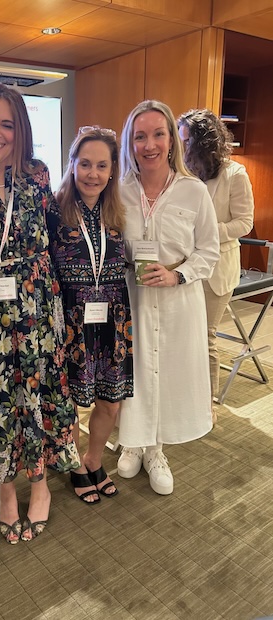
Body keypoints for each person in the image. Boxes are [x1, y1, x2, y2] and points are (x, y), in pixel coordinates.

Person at [0, 84, 80, 544]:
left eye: (7, 124)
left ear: (20, 130)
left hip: (38, 308)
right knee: (1, 401)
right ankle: (6, 492)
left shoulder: (38, 174)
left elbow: (55, 234)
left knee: (39, 396)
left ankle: (40, 484)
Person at [117, 100, 220, 495]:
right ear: (130, 142)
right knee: (135, 369)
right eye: (140, 136)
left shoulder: (193, 191)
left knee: (168, 372)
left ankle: (156, 449)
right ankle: (133, 441)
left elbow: (209, 250)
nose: (150, 144)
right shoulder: (119, 188)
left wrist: (178, 274)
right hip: (133, 296)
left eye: (158, 134)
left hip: (178, 299)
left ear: (172, 140)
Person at [47, 126, 133, 504]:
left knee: (110, 401)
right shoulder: (53, 209)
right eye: (85, 164)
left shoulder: (119, 210)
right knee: (70, 403)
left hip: (113, 320)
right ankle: (76, 467)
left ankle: (94, 459)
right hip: (68, 321)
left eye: (101, 165)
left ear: (112, 169)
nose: (92, 173)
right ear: (72, 164)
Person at [178, 109, 254, 414]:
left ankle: (206, 407)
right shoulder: (185, 173)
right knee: (184, 336)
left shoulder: (235, 175)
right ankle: (185, 396)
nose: (181, 147)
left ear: (203, 142)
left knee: (204, 336)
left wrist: (207, 234)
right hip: (186, 266)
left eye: (185, 141)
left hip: (217, 269)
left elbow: (244, 223)